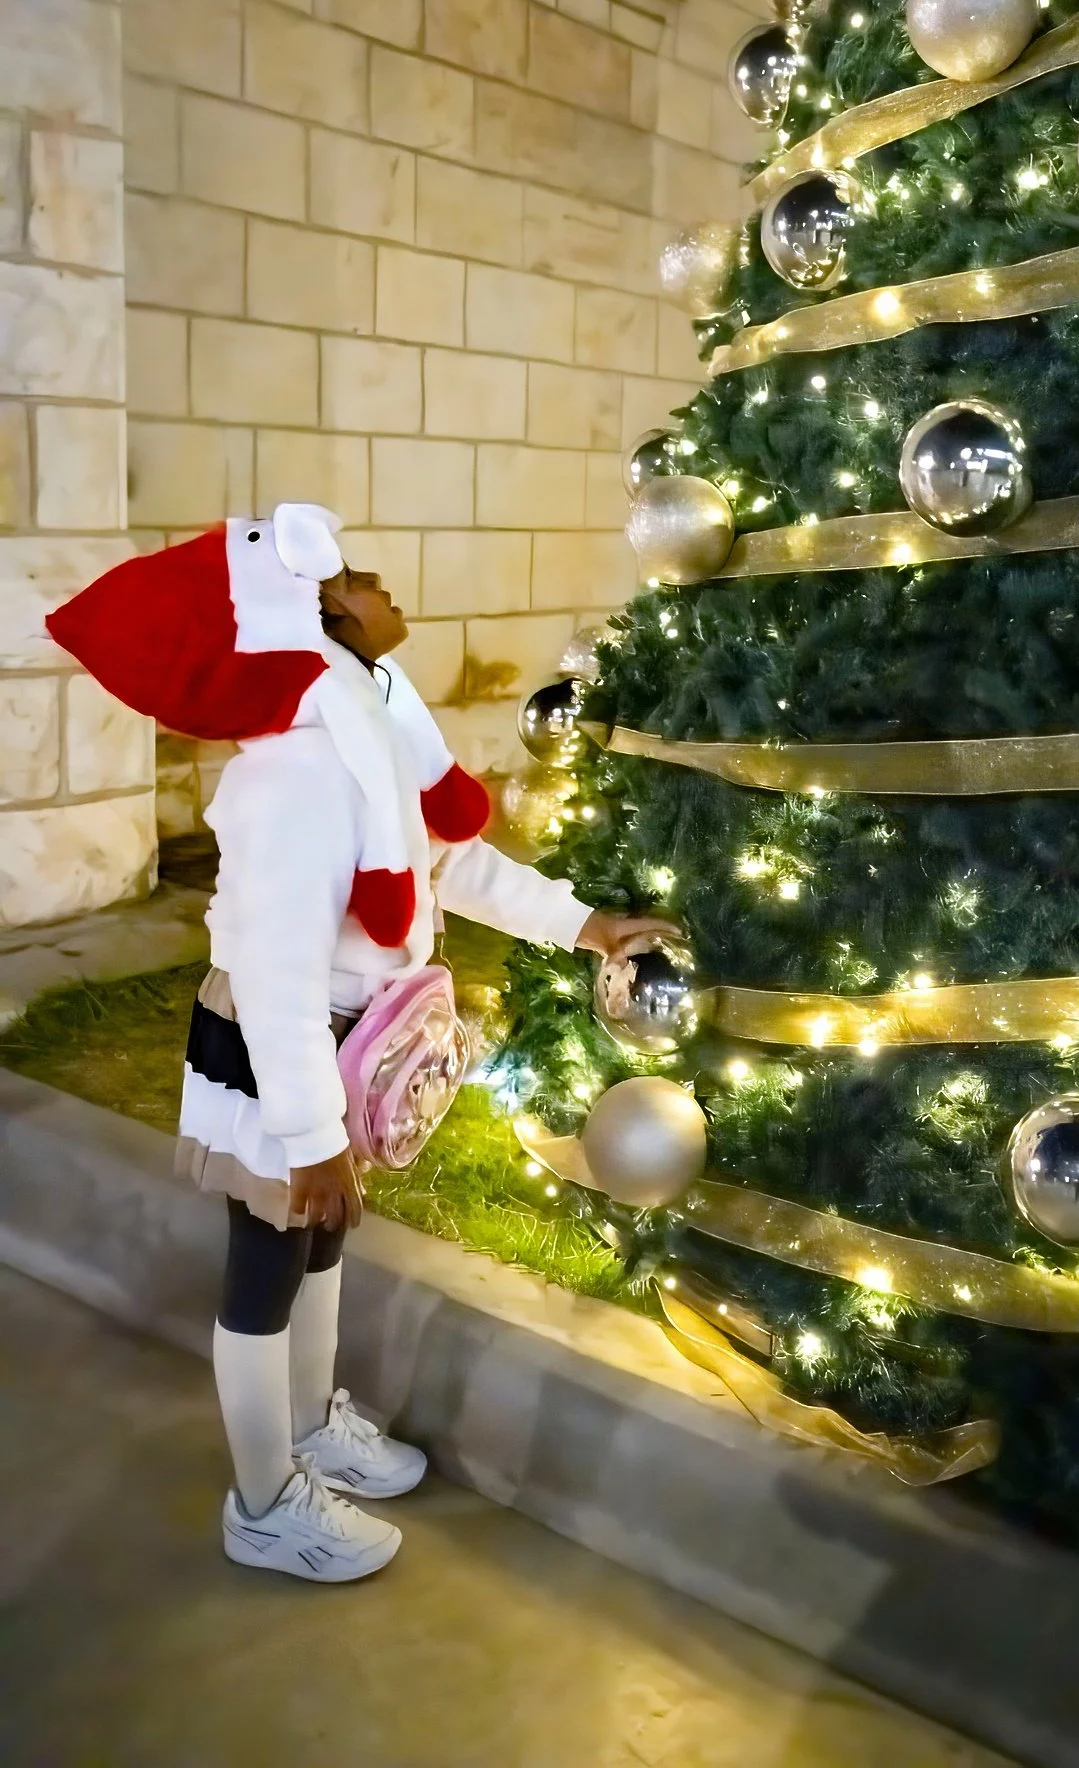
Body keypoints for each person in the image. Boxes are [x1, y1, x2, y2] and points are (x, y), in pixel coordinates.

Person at [46, 504, 673, 1584]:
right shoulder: (295, 773)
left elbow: (453, 862)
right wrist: (309, 1135)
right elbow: (280, 969)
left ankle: (310, 1424)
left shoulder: (370, 725)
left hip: (343, 1044)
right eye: (368, 577)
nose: (389, 587)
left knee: (323, 1248)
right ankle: (263, 1498)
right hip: (280, 1056)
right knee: (265, 1266)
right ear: (326, 612)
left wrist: (586, 925)